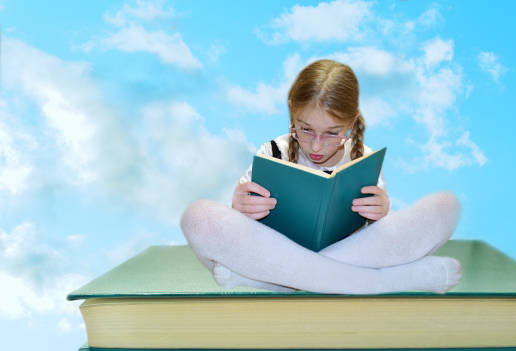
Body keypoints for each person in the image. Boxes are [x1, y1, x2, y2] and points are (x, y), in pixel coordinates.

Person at [180, 59, 462, 294]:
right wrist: (240, 207)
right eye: (305, 129)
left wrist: (381, 211)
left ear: (351, 124)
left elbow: (382, 239)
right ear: (292, 113)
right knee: (198, 216)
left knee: (445, 205)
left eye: (332, 133)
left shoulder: (363, 157)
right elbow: (241, 234)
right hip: (275, 252)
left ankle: (280, 284)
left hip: (328, 256)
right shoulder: (271, 152)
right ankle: (381, 283)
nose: (316, 146)